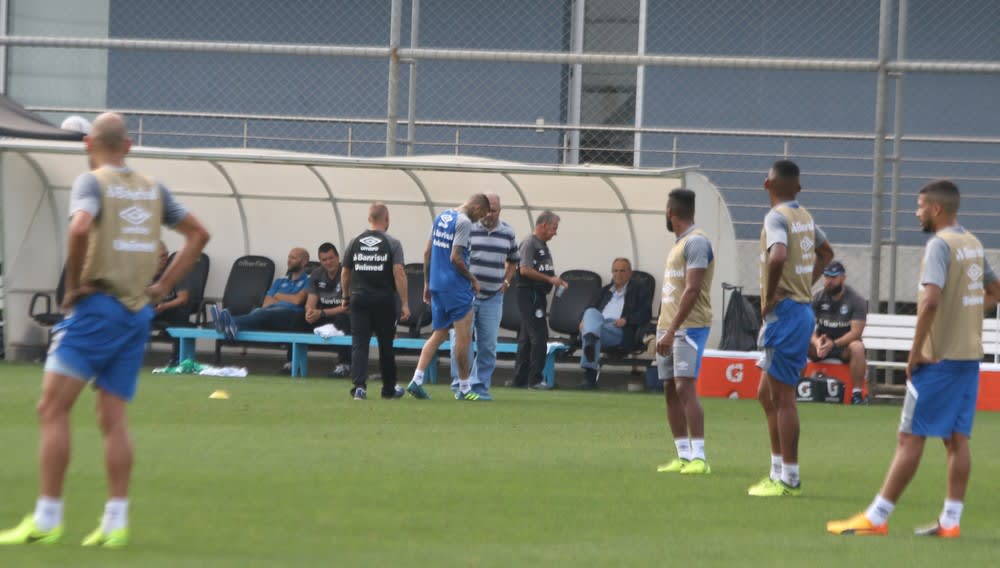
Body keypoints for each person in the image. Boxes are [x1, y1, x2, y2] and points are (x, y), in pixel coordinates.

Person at [0, 112, 210, 548]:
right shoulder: (153, 189)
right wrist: (164, 286)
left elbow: (79, 227)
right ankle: (115, 521)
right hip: (137, 314)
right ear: (129, 146)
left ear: (87, 145)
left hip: (97, 309)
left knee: (51, 409)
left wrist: (73, 284)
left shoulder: (91, 182)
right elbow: (198, 234)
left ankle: (47, 517)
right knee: (112, 418)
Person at [828, 180, 1000, 538]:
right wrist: (966, 315)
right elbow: (994, 291)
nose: (916, 212)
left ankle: (877, 517)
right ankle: (950, 522)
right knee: (956, 439)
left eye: (920, 205)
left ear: (937, 209)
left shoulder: (939, 246)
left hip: (938, 360)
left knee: (909, 437)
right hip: (968, 358)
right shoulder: (972, 242)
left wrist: (916, 350)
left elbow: (931, 301)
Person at [748, 159, 833, 497]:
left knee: (782, 398)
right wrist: (805, 284)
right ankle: (777, 470)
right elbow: (826, 253)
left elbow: (778, 255)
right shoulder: (804, 216)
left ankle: (790, 478)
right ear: (798, 187)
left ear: (766, 185)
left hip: (785, 315)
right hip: (798, 311)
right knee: (765, 396)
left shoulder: (776, 217)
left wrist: (768, 296)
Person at [406, 194, 491, 400]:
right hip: (456, 287)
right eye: (481, 214)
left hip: (437, 284)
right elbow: (455, 257)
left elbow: (427, 252)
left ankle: (416, 379)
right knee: (463, 339)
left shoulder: (442, 216)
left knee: (440, 333)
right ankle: (464, 388)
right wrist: (472, 279)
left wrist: (427, 282)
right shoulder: (463, 222)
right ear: (477, 206)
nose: (480, 219)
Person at [654, 189, 715, 475]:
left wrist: (672, 329)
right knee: (669, 389)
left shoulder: (697, 243)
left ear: (671, 213)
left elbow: (692, 290)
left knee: (684, 386)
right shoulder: (679, 244)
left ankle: (700, 457)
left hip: (689, 326)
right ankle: (682, 455)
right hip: (668, 326)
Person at [448, 193, 519, 401]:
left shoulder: (508, 233)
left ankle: (479, 387)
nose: (488, 214)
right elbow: (456, 257)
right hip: (467, 295)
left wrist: (506, 281)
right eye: (486, 210)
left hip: (492, 297)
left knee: (488, 345)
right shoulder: (467, 228)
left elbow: (514, 260)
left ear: (500, 211)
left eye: (493, 211)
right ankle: (460, 385)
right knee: (461, 342)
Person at [341, 203, 410, 400]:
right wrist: (404, 303)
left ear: (369, 218)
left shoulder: (354, 242)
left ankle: (359, 387)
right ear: (386, 219)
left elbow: (345, 272)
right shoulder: (393, 243)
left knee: (359, 344)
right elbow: (399, 272)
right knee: (385, 345)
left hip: (359, 299)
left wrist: (346, 297)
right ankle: (388, 389)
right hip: (384, 300)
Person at [213, 247, 311, 373]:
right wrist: (285, 299)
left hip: (290, 316)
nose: (289, 260)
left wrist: (278, 296)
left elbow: (298, 300)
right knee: (259, 313)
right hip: (269, 314)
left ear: (304, 262)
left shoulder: (309, 280)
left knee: (259, 313)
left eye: (294, 258)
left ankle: (225, 321)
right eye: (289, 257)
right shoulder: (280, 280)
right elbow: (266, 303)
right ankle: (230, 324)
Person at [575, 258, 650, 390]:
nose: (618, 274)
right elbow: (588, 310)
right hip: (599, 324)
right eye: (615, 270)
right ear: (611, 272)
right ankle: (590, 337)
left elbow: (645, 314)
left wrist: (626, 320)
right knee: (591, 313)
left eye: (622, 270)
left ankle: (589, 377)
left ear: (630, 273)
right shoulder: (603, 291)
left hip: (618, 328)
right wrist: (583, 320)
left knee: (592, 333)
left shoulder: (639, 290)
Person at [512, 210, 567, 389]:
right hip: (530, 294)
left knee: (526, 338)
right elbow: (524, 270)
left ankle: (519, 380)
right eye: (554, 228)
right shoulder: (529, 243)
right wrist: (550, 279)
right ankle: (535, 379)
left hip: (538, 295)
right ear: (543, 225)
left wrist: (553, 278)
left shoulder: (542, 245)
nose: (555, 232)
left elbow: (541, 269)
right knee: (539, 336)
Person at [808, 260, 868, 404]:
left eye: (834, 277)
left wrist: (833, 344)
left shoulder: (856, 300)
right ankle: (794, 388)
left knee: (858, 347)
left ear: (843, 278)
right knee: (799, 340)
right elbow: (807, 326)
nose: (829, 281)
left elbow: (856, 333)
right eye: (827, 276)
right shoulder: (817, 297)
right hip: (821, 345)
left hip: (843, 346)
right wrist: (817, 342)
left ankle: (857, 395)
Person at [305, 242, 352, 377]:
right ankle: (292, 362)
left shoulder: (348, 273)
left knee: (342, 319)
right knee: (297, 318)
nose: (328, 262)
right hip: (323, 315)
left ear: (338, 258)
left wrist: (322, 313)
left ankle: (345, 364)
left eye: (331, 258)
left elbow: (348, 306)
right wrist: (309, 312)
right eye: (324, 260)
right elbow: (311, 301)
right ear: (320, 261)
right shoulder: (316, 274)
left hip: (344, 315)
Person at [151, 241, 193, 366]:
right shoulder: (143, 273)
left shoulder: (176, 272)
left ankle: (177, 358)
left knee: (181, 315)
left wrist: (164, 306)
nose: (161, 260)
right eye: (157, 256)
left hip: (169, 309)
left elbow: (183, 299)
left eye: (164, 256)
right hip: (148, 309)